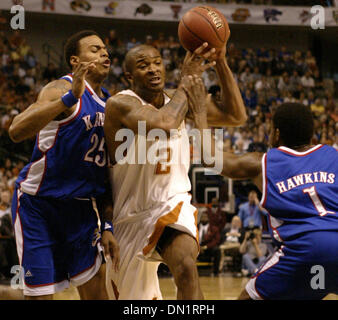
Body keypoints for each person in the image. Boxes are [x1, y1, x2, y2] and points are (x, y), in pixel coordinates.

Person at [103, 41, 247, 299]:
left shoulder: (178, 97)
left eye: (157, 62)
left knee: (186, 267)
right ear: (128, 76)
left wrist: (222, 63)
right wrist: (189, 79)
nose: (153, 69)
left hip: (171, 203)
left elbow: (236, 116)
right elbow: (164, 123)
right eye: (143, 65)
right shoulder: (120, 103)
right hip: (129, 217)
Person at [187, 88, 338, 300]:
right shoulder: (333, 154)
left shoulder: (263, 162)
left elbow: (211, 158)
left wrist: (200, 114)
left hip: (304, 250)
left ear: (276, 134)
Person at [8, 30, 119, 300]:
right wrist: (68, 99)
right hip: (39, 206)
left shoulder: (111, 104)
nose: (104, 53)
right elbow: (16, 130)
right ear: (74, 60)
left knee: (98, 294)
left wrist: (107, 225)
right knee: (41, 296)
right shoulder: (60, 89)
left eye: (104, 48)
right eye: (94, 49)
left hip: (80, 210)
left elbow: (105, 174)